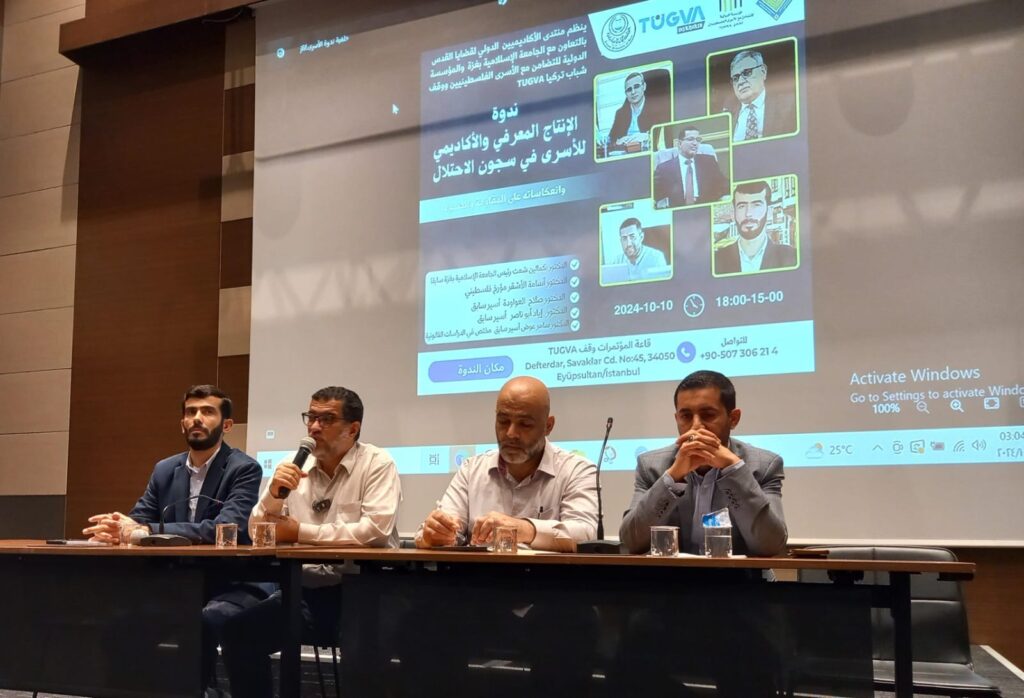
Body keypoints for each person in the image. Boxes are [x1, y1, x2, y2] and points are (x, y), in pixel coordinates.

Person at [408, 376, 599, 694]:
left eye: (525, 424)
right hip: (478, 598)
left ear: (548, 426)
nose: (510, 433)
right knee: (421, 619)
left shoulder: (576, 470)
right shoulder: (472, 469)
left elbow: (585, 532)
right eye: (502, 421)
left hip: (549, 599)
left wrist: (524, 528)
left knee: (573, 624)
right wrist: (435, 534)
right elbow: (442, 528)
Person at [612, 371, 788, 696]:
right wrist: (674, 476)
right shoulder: (654, 466)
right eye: (685, 416)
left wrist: (733, 471)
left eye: (707, 415)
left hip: (741, 597)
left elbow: (770, 543)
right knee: (627, 663)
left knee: (748, 662)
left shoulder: (762, 466)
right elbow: (632, 540)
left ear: (733, 418)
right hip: (671, 598)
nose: (695, 427)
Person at [82, 384, 265, 695]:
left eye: (207, 412)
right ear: (182, 423)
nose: (197, 418)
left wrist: (146, 530)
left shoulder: (243, 468)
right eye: (190, 412)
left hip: (231, 583)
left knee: (203, 621)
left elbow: (226, 529)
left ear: (227, 425)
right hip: (179, 584)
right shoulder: (165, 469)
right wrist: (116, 527)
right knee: (119, 628)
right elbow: (139, 519)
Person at [221, 385, 401, 698]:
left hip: (363, 593)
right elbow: (257, 530)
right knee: (239, 633)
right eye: (311, 417)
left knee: (364, 654)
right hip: (301, 593)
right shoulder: (294, 465)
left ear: (353, 429)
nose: (314, 427)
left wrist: (299, 532)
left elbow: (375, 531)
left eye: (326, 419)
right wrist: (274, 495)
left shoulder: (377, 463)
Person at [714, 180, 797, 275]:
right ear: (733, 214)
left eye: (756, 205)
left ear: (769, 212)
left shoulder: (791, 257)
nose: (748, 213)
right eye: (742, 206)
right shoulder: (717, 260)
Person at [726, 49, 796, 142]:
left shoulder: (789, 105)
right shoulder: (725, 115)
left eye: (747, 73)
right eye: (735, 78)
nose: (740, 82)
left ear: (763, 71)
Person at [653, 126, 729, 208]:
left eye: (698, 140)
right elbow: (654, 194)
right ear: (679, 143)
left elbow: (724, 185)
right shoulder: (664, 168)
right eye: (690, 139)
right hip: (679, 209)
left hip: (705, 206)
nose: (695, 143)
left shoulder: (709, 162)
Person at [605, 71, 668, 152]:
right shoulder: (620, 113)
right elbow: (611, 139)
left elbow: (664, 134)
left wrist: (647, 136)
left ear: (644, 86)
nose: (633, 92)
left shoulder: (657, 108)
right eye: (629, 89)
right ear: (626, 94)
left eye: (636, 86)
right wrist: (618, 141)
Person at [610, 217, 670, 281]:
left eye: (632, 237)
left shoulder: (656, 258)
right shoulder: (617, 261)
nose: (628, 244)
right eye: (624, 238)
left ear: (641, 237)